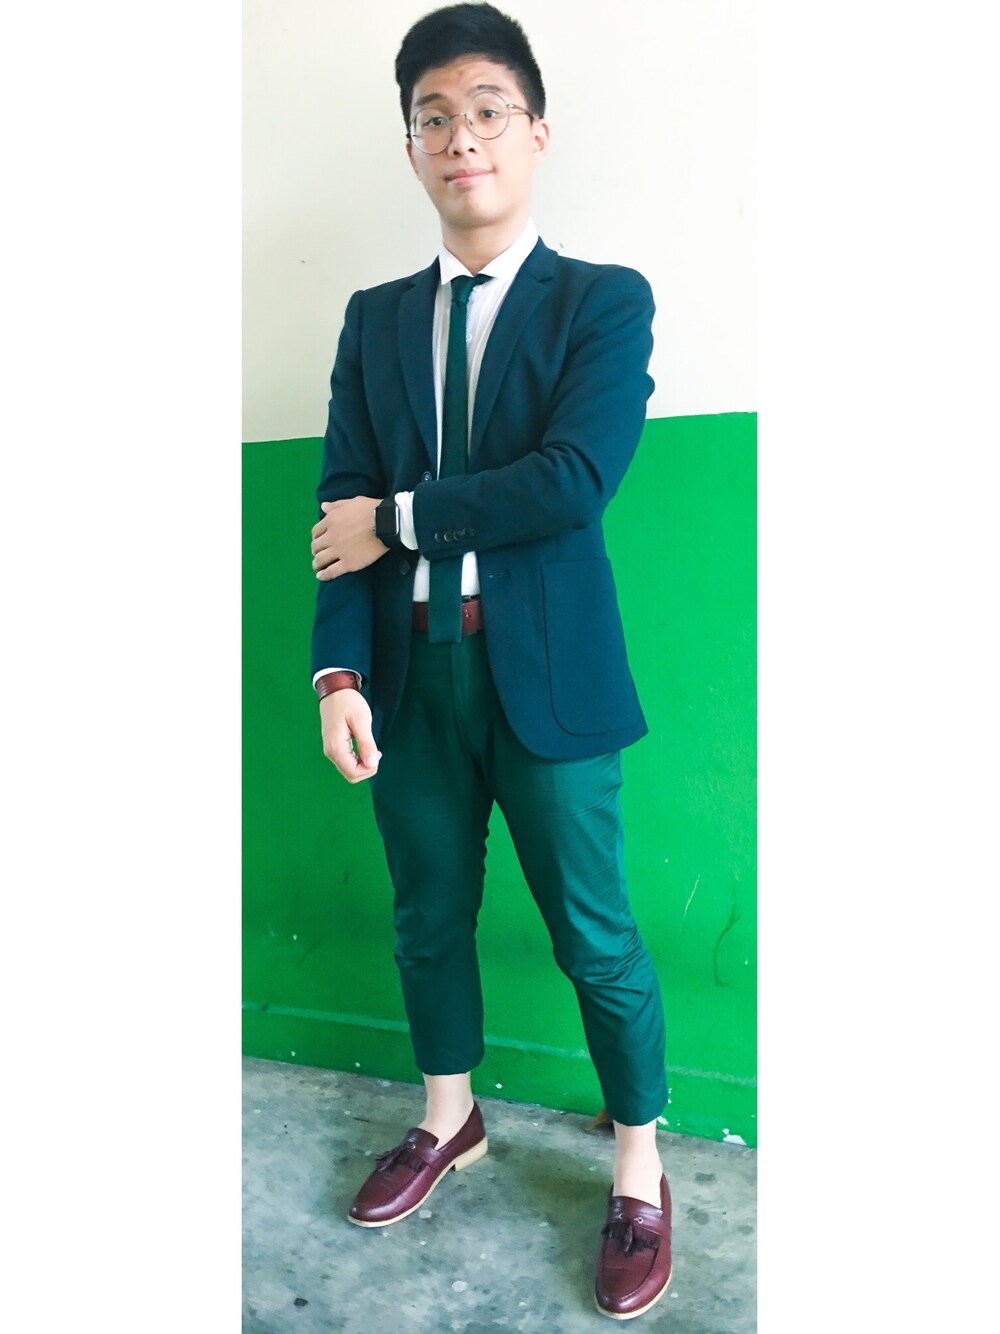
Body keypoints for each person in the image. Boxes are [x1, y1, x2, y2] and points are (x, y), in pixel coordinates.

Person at [308, 3, 671, 1319]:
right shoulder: (374, 320)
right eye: (433, 118)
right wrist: (338, 675)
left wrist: (402, 518)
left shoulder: (603, 302)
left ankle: (639, 1162)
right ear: (412, 148)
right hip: (408, 677)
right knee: (426, 918)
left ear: (536, 133)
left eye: (486, 111)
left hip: (551, 684)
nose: (461, 138)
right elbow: (337, 510)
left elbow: (571, 481)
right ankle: (447, 1114)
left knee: (596, 933)